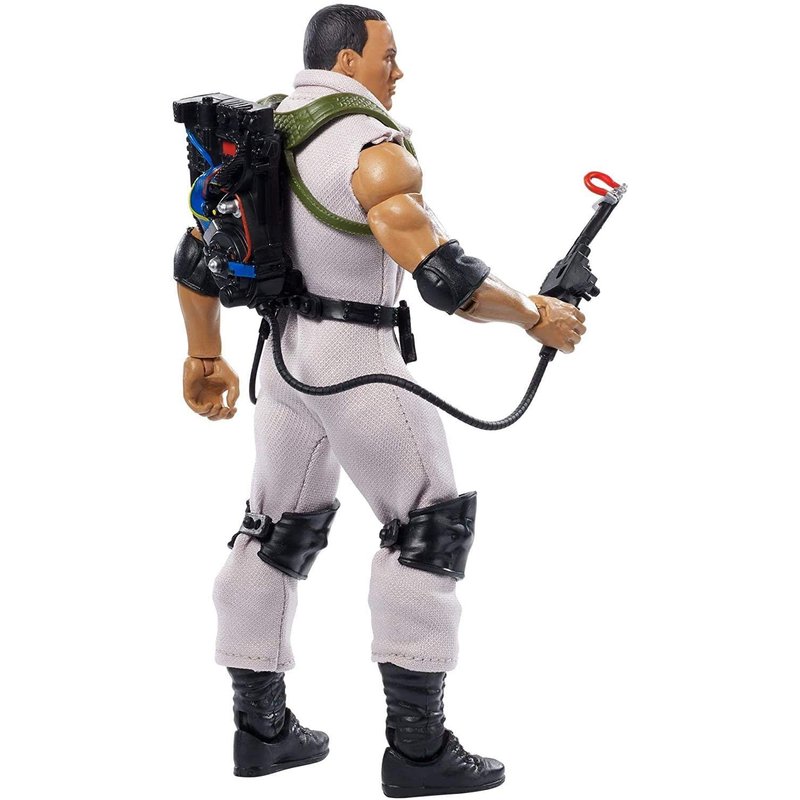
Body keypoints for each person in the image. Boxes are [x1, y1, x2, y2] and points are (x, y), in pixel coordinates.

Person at [175, 5, 586, 796]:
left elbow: (197, 255)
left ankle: (261, 732)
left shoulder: (259, 130)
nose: (398, 72)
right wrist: (537, 315)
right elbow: (443, 275)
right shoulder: (367, 144)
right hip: (358, 359)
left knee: (274, 528)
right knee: (427, 526)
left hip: (282, 361)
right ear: (348, 60)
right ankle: (419, 751)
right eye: (388, 56)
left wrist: (203, 354)